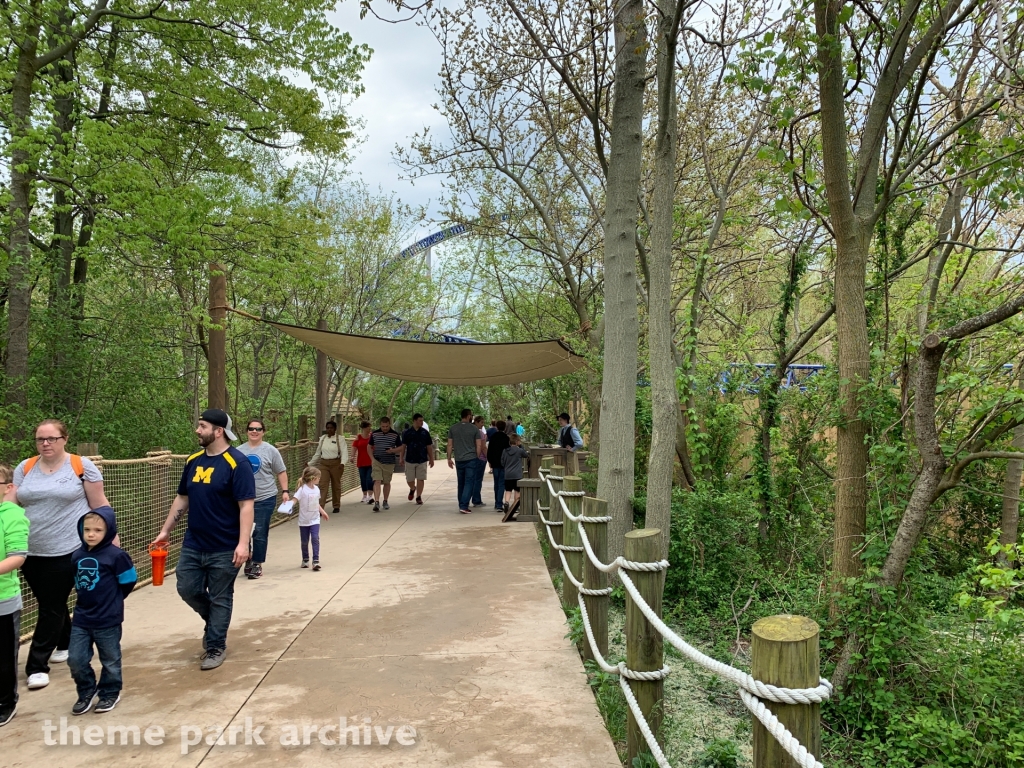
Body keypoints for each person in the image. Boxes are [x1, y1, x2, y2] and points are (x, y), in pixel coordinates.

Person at [150, 409, 255, 671]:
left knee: (221, 596)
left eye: (202, 426)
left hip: (226, 546)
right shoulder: (193, 461)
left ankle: (215, 646)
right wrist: (166, 530)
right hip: (194, 543)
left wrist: (243, 544)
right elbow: (182, 498)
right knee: (187, 588)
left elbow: (246, 506)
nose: (197, 430)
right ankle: (214, 621)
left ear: (218, 431)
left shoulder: (237, 463)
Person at [12, 419, 108, 691]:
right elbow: (11, 504)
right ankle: (65, 642)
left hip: (68, 548)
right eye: (40, 439)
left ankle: (36, 666)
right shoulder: (25, 468)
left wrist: (110, 540)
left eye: (51, 438)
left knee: (50, 606)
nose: (45, 444)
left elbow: (99, 504)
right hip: (29, 550)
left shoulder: (81, 466)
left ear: (64, 439)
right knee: (50, 601)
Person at [68, 506, 136, 715]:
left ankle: (109, 692)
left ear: (109, 531)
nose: (91, 534)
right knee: (75, 659)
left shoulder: (117, 556)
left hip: (108, 618)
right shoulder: (77, 555)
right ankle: (86, 691)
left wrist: (114, 600)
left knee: (110, 660)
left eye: (98, 530)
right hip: (82, 618)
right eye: (87, 529)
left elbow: (129, 580)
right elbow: (77, 581)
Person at [238, 419, 288, 580]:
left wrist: (285, 491)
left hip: (265, 497)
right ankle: (248, 557)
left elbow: (281, 471)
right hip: (242, 499)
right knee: (244, 531)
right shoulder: (238, 451)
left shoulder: (271, 450)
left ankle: (257, 563)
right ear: (247, 431)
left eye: (258, 429)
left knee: (259, 531)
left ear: (263, 432)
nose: (254, 431)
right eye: (251, 429)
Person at [0, 465, 28, 727]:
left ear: (8, 488)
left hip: (3, 600)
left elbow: (18, 556)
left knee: (4, 656)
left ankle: (6, 703)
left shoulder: (12, 516)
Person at [447, 409, 485, 514]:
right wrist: (477, 456)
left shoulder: (453, 428)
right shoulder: (474, 429)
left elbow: (449, 445)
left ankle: (462, 504)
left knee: (461, 482)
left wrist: (449, 458)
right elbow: (478, 445)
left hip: (459, 459)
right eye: (472, 415)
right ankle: (464, 505)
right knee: (469, 482)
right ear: (468, 416)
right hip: (471, 458)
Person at [294, 467, 329, 571]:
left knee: (315, 538)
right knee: (304, 541)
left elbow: (316, 503)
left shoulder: (317, 489)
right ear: (313, 478)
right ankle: (305, 559)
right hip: (304, 521)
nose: (319, 479)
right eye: (318, 477)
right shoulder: (302, 489)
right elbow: (294, 500)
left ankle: (316, 561)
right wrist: (288, 505)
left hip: (315, 519)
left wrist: (322, 512)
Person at [309, 421, 348, 513]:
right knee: (323, 485)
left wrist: (342, 463)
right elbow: (318, 453)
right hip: (324, 464)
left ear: (335, 429)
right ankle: (320, 508)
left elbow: (344, 452)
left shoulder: (340, 439)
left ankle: (336, 505)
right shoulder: (323, 439)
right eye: (328, 428)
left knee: (336, 485)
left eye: (331, 428)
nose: (329, 430)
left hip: (336, 464)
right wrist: (310, 463)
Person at [369, 417, 402, 512]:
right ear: (380, 425)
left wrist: (393, 450)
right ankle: (376, 502)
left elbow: (401, 447)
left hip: (389, 462)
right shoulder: (374, 434)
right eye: (383, 426)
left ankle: (385, 500)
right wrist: (372, 459)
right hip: (377, 461)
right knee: (377, 480)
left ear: (389, 424)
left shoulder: (395, 434)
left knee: (387, 482)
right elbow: (369, 446)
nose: (385, 428)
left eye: (387, 426)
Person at [401, 415, 434, 505]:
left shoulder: (425, 433)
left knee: (421, 478)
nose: (422, 423)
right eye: (420, 421)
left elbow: (429, 446)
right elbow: (403, 446)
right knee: (409, 479)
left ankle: (418, 496)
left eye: (422, 421)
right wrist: (401, 458)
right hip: (410, 459)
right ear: (414, 421)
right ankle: (412, 488)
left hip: (422, 459)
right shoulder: (407, 433)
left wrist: (431, 458)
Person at [502, 435, 530, 513]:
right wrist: (521, 446)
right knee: (517, 491)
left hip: (508, 474)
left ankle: (506, 502)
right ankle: (515, 506)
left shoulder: (505, 451)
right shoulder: (519, 451)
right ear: (517, 441)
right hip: (517, 474)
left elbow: (502, 461)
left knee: (508, 490)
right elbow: (526, 455)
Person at [486, 420, 511, 512]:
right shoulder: (506, 438)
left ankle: (497, 502)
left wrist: (490, 461)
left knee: (496, 483)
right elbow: (508, 451)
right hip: (504, 464)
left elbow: (490, 450)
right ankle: (499, 504)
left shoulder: (493, 437)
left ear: (496, 427)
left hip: (495, 463)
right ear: (505, 427)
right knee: (501, 483)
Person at [352, 422, 374, 504]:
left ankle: (370, 496)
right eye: (368, 427)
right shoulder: (359, 437)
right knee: (363, 479)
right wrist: (352, 456)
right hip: (361, 461)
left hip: (371, 461)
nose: (369, 429)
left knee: (369, 478)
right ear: (364, 428)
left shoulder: (372, 436)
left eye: (370, 427)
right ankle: (364, 495)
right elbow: (354, 447)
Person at [470, 416, 488, 506]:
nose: (482, 425)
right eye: (481, 422)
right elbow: (483, 447)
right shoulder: (480, 433)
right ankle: (476, 500)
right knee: (478, 480)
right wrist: (488, 457)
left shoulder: (469, 432)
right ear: (476, 422)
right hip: (480, 458)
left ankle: (467, 499)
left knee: (471, 480)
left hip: (470, 458)